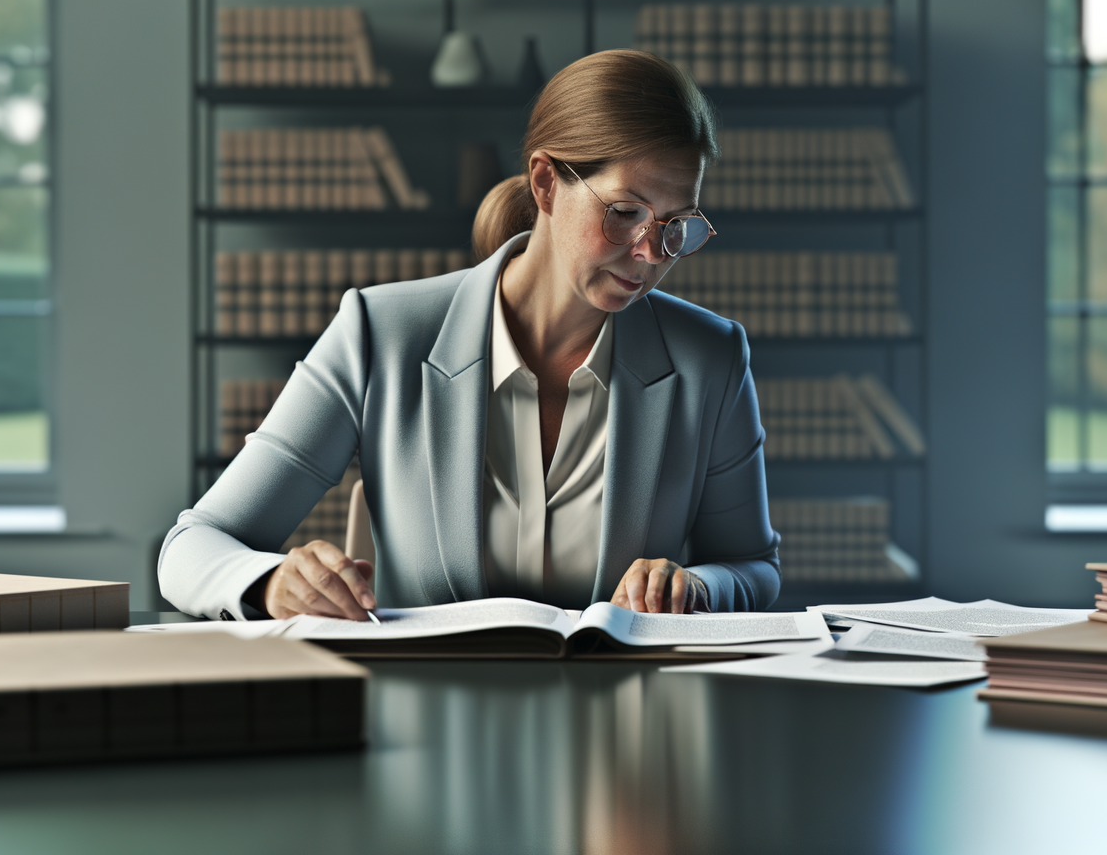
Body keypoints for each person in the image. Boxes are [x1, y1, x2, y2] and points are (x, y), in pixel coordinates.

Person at [158, 49, 779, 622]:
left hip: (623, 720)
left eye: (676, 226)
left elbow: (753, 567)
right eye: (624, 213)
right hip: (425, 716)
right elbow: (191, 546)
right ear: (545, 184)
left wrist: (697, 587)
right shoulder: (381, 334)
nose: (648, 253)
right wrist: (271, 585)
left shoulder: (710, 359)